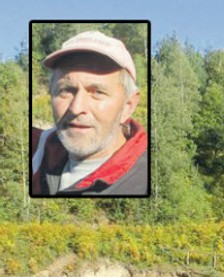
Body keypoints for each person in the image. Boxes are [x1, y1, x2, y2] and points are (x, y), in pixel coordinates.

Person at [31, 30, 148, 196]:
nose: (76, 108)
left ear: (128, 106)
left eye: (97, 92)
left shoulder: (144, 180)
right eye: (65, 90)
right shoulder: (37, 150)